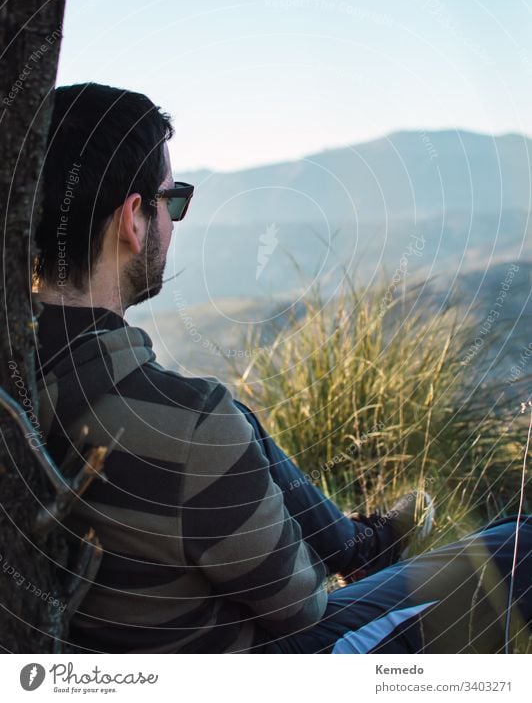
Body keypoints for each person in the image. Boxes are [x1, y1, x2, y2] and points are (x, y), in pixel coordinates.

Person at [32, 83, 532, 654]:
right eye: (172, 201)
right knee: (522, 547)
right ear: (133, 220)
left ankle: (357, 546)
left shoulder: (33, 381)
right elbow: (301, 605)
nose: (176, 221)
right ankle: (358, 550)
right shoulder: (191, 428)